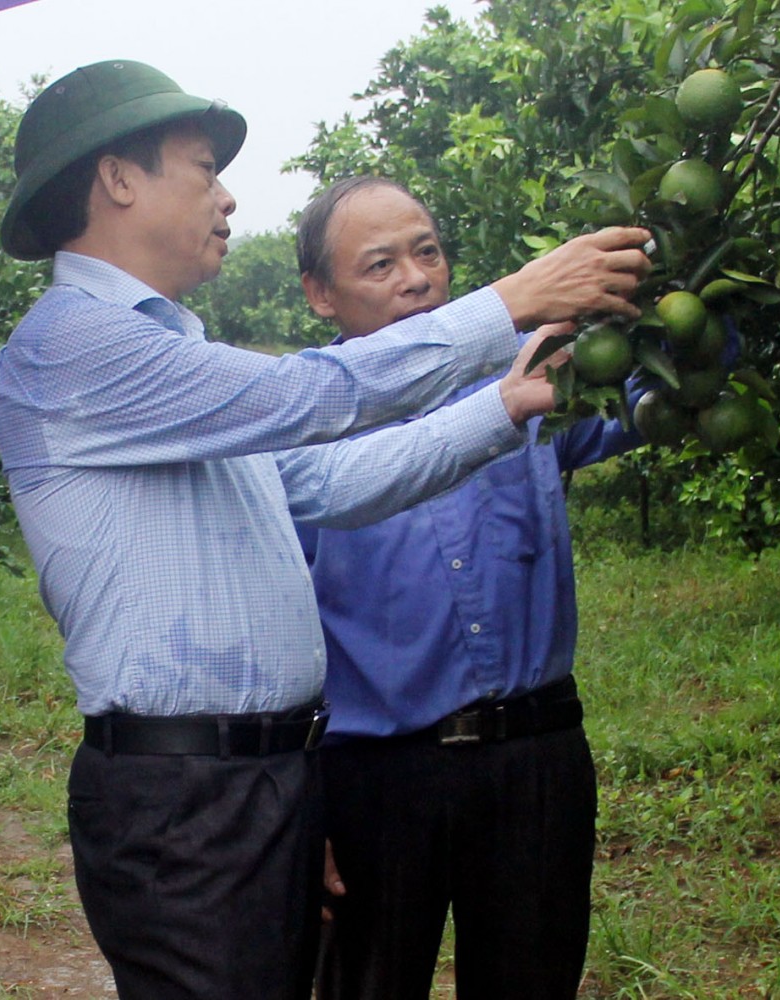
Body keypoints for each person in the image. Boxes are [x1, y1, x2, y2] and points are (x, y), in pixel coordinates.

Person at [0, 60, 650, 1000]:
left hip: (258, 783)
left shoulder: (176, 352)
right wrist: (511, 302)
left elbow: (330, 479)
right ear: (119, 179)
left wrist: (507, 403)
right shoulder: (73, 347)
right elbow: (315, 396)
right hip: (186, 801)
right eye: (203, 166)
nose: (226, 196)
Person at [295, 177, 642, 999]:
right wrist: (298, 811)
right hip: (374, 781)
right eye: (379, 264)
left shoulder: (524, 381)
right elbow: (272, 632)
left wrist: (676, 286)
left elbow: (657, 394)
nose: (415, 279)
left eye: (427, 252)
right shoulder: (300, 424)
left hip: (534, 760)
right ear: (319, 295)